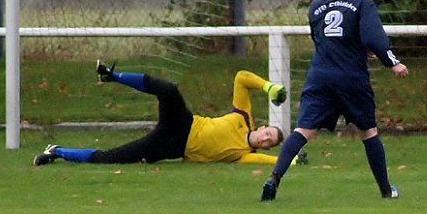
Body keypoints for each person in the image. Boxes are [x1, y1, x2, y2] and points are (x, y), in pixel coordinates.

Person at [260, 0, 409, 202]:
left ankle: (274, 178)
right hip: (351, 78)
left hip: (320, 77)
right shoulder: (362, 3)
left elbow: (322, 38)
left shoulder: (316, 6)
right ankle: (385, 190)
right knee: (368, 131)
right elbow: (373, 38)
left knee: (303, 130)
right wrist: (392, 62)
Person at [33, 61, 307, 166]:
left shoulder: (242, 155)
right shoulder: (243, 117)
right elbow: (241, 77)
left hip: (172, 146)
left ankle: (56, 152)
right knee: (169, 90)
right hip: (184, 122)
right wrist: (268, 87)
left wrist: (292, 159)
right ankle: (112, 75)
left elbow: (268, 161)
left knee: (112, 157)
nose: (265, 139)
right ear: (262, 126)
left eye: (269, 142)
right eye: (268, 134)